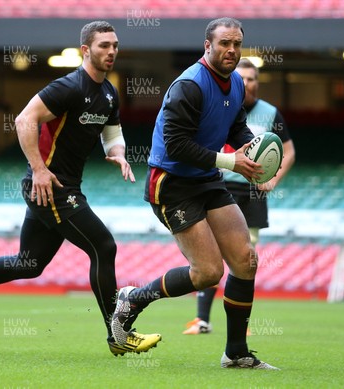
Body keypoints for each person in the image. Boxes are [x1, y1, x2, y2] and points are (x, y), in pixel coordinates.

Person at [0, 20, 161, 357]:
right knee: (103, 246)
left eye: (115, 45)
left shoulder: (108, 92)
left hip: (60, 187)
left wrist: (119, 153)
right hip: (51, 186)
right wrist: (38, 169)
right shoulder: (67, 86)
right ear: (86, 50)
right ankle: (118, 333)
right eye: (103, 46)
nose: (111, 51)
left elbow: (112, 130)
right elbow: (25, 119)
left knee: (29, 264)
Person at [110, 17, 278, 369]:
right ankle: (134, 298)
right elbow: (175, 144)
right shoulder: (189, 85)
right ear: (207, 45)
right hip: (172, 183)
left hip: (206, 178)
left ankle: (236, 353)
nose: (231, 50)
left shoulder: (234, 83)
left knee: (246, 261)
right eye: (224, 44)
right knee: (207, 273)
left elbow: (235, 126)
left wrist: (254, 156)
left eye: (236, 44)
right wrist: (231, 163)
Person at [184, 58, 296, 335]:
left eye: (252, 79)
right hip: (221, 187)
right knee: (213, 257)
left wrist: (272, 179)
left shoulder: (270, 113)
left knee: (246, 258)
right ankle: (202, 320)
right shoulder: (223, 107)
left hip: (252, 194)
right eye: (242, 78)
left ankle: (239, 325)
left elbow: (289, 150)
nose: (247, 83)